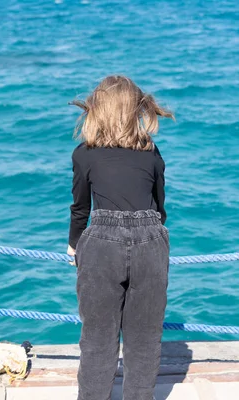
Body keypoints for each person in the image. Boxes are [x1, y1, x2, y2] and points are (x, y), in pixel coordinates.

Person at [67, 75, 173, 400]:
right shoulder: (151, 153)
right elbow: (159, 207)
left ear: (97, 110)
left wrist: (74, 245)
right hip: (150, 240)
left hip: (101, 243)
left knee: (98, 339)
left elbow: (80, 208)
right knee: (143, 341)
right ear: (136, 111)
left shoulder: (84, 154)